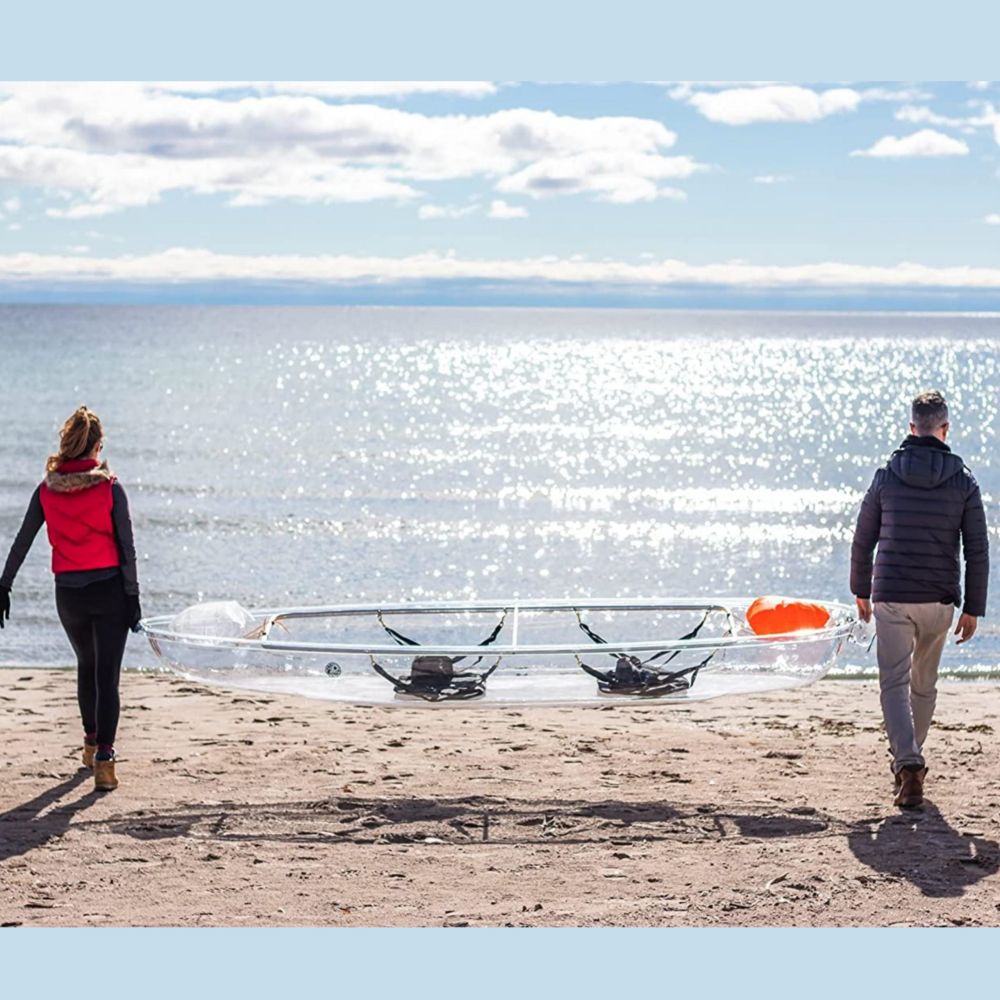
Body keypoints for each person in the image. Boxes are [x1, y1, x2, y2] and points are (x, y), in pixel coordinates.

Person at [851, 390, 988, 808]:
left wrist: (861, 589)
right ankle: (911, 761)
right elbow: (977, 549)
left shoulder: (886, 476)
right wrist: (973, 608)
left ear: (912, 428)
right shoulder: (964, 481)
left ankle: (908, 763)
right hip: (939, 600)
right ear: (944, 429)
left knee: (893, 683)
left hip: (891, 596)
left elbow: (863, 539)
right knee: (923, 684)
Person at [0, 407, 141, 792]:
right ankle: (105, 762)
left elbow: (22, 540)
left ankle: (90, 743)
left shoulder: (46, 489)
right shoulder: (111, 488)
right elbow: (127, 549)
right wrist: (133, 597)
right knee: (106, 677)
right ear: (97, 446)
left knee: (86, 664)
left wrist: (4, 585)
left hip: (69, 596)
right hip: (109, 590)